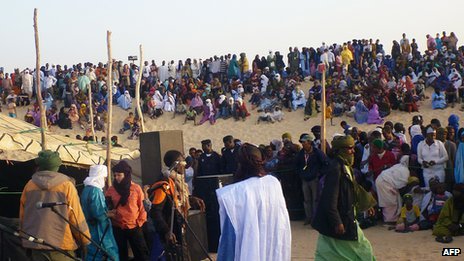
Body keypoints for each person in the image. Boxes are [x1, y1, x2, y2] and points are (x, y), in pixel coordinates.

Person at [216, 143, 291, 261]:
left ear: (240, 164)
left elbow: (229, 242)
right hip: (273, 251)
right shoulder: (274, 183)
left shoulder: (233, 193)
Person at [312, 135, 376, 261]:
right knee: (362, 251)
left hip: (346, 216)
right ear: (340, 150)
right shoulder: (335, 169)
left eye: (353, 148)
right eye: (349, 148)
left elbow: (354, 189)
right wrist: (337, 222)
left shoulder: (346, 166)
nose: (353, 151)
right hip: (340, 219)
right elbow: (329, 198)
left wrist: (367, 205)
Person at [20, 150, 90, 260]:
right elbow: (75, 216)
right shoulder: (67, 185)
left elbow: (23, 216)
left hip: (35, 244)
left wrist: (24, 239)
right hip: (61, 246)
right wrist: (84, 240)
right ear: (57, 166)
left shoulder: (29, 185)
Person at [148, 150, 206, 261]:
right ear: (175, 164)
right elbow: (155, 211)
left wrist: (191, 199)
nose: (185, 164)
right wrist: (166, 231)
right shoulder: (163, 184)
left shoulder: (177, 181)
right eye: (182, 161)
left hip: (178, 226)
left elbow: (176, 199)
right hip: (170, 233)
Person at [106, 161, 149, 261]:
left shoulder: (136, 188)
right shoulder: (111, 190)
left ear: (126, 175)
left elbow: (142, 207)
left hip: (134, 226)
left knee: (142, 254)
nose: (116, 177)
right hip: (118, 226)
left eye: (119, 175)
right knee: (121, 255)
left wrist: (140, 222)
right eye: (115, 175)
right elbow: (107, 205)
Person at [80, 165, 119, 261]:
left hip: (89, 229)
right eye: (104, 178)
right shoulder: (96, 191)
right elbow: (99, 215)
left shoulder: (86, 189)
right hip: (99, 231)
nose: (105, 180)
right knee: (107, 254)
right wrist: (111, 214)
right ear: (99, 177)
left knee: (91, 254)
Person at [296, 133, 328, 225]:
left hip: (314, 179)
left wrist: (319, 174)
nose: (302, 144)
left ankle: (315, 218)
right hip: (305, 180)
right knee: (307, 200)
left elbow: (325, 163)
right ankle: (308, 217)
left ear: (309, 142)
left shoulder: (317, 152)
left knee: (315, 199)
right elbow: (296, 164)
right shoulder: (301, 153)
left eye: (304, 142)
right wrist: (301, 174)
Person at [375, 155, 410, 223]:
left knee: (391, 200)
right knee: (390, 202)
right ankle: (389, 220)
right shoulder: (405, 170)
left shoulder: (398, 165)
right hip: (384, 183)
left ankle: (391, 219)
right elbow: (402, 184)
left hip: (382, 181)